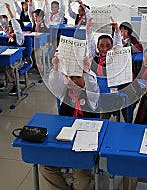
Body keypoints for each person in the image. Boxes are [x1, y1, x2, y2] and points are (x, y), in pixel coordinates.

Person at [40, 54, 99, 190]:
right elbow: (54, 84)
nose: (74, 81)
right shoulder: (63, 92)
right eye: (70, 78)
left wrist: (86, 71)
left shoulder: (92, 95)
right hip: (64, 141)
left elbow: (92, 85)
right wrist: (56, 67)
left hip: (84, 145)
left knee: (82, 182)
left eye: (78, 77)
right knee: (45, 167)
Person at [3, 3, 25, 96]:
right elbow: (3, 25)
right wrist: (0, 13)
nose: (9, 27)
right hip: (9, 56)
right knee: (2, 65)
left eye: (10, 26)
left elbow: (16, 26)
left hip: (18, 60)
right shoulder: (9, 34)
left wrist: (9, 10)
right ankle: (4, 83)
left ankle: (16, 85)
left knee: (9, 66)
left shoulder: (19, 36)